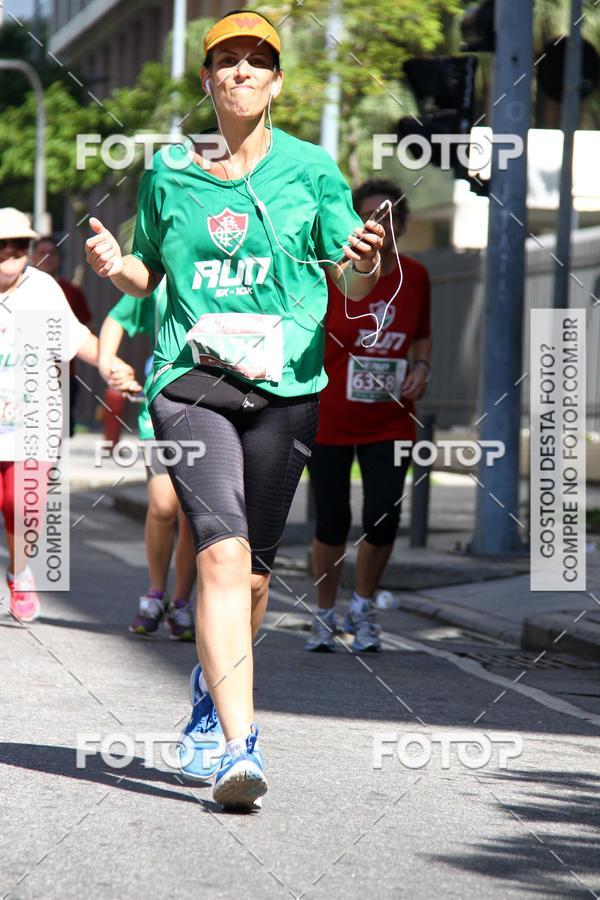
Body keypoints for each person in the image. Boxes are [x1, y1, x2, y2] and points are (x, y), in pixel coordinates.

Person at [85, 10, 384, 809]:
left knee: (251, 577)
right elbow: (150, 271)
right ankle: (237, 749)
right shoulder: (170, 170)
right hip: (191, 384)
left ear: (277, 81)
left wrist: (364, 264)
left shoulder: (313, 169)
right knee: (217, 555)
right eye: (227, 61)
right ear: (210, 80)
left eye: (259, 61)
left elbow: (350, 282)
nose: (242, 72)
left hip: (287, 390)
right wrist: (121, 268)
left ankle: (207, 694)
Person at [305, 179, 432, 653]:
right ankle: (323, 613)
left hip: (391, 417)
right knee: (332, 520)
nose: (382, 224)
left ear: (403, 224)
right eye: (371, 217)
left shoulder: (417, 276)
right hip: (331, 414)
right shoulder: (334, 272)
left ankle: (363, 605)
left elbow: (422, 334)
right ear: (355, 223)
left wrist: (422, 367)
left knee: (383, 518)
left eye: (391, 217)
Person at [0, 207, 134, 621]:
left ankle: (19, 573)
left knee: (23, 505)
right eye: (1, 246)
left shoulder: (41, 291)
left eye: (18, 246)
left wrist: (110, 364)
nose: (10, 254)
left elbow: (75, 340)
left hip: (32, 423)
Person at [99, 279, 196, 640]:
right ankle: (156, 593)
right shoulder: (160, 278)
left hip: (216, 407)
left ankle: (182, 603)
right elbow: (117, 318)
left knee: (192, 515)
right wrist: (108, 363)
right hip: (161, 407)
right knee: (162, 506)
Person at [32, 237, 94, 436]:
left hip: (63, 374)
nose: (47, 257)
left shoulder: (72, 291)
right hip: (28, 375)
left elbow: (86, 327)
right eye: (42, 252)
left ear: (60, 258)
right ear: (32, 256)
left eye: (53, 253)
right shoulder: (16, 289)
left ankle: (53, 466)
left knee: (60, 432)